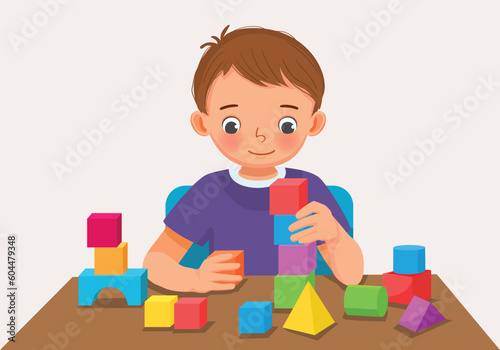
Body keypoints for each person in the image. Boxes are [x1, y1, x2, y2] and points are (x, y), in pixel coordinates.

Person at [143, 25, 363, 293]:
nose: (260, 136)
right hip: (228, 316)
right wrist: (195, 280)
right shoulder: (209, 192)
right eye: (233, 124)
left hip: (298, 311)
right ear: (203, 123)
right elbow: (155, 262)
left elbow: (352, 277)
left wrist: (335, 236)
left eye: (286, 124)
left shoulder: (311, 190)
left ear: (313, 123)